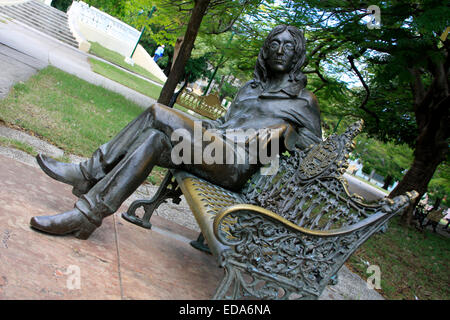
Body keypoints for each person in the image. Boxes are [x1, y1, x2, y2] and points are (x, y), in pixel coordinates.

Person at [30, 25, 322, 240]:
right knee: (154, 139)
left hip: (236, 166)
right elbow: (224, 123)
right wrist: (204, 128)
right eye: (275, 44)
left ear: (297, 53)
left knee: (158, 113)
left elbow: (314, 152)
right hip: (215, 149)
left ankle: (88, 172)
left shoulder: (303, 100)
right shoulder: (250, 89)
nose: (281, 51)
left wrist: (285, 135)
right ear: (266, 50)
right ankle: (87, 216)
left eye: (288, 46)